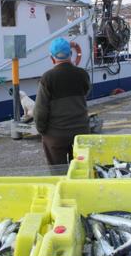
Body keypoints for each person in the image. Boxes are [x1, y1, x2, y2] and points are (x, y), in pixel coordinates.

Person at [34, 37, 90, 165]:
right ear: (70, 54)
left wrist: (43, 131)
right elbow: (87, 92)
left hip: (55, 136)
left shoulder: (47, 78)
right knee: (80, 170)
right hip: (81, 134)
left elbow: (40, 111)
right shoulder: (82, 74)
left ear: (52, 57)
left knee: (58, 171)